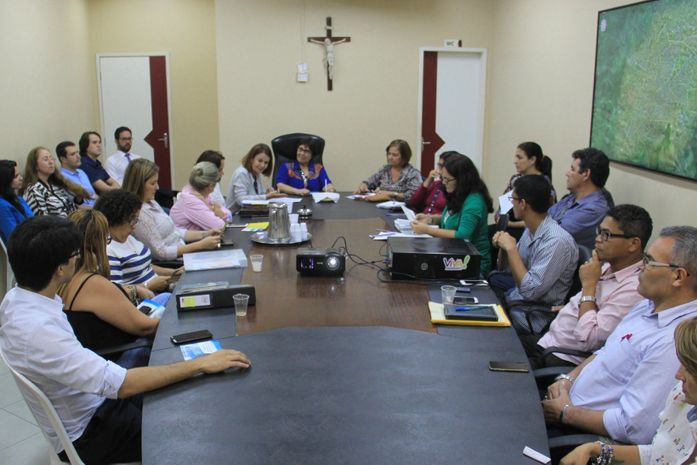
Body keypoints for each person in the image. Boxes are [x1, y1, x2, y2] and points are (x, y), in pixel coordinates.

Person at [0, 215, 250, 464]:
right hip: (94, 430)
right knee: (206, 424)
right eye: (74, 255)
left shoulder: (16, 300)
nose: (78, 258)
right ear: (60, 269)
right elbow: (122, 385)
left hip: (92, 405)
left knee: (189, 388)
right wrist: (200, 364)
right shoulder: (40, 331)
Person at [542, 226, 697, 444]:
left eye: (649, 261)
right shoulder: (647, 305)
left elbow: (634, 427)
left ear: (678, 276)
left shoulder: (675, 340)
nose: (641, 267)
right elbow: (604, 352)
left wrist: (565, 412)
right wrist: (567, 380)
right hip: (565, 405)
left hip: (586, 438)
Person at [523, 204, 651, 368]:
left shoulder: (634, 289)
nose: (598, 239)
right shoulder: (607, 266)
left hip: (562, 357)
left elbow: (589, 339)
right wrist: (571, 307)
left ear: (633, 244)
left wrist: (589, 285)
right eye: (599, 231)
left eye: (606, 235)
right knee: (497, 343)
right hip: (548, 340)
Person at [560, 317, 697, 465]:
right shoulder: (682, 397)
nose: (678, 375)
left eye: (689, 368)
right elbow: (660, 455)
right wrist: (592, 450)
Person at [58, 209, 161, 369]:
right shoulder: (93, 283)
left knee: (164, 298)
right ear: (100, 242)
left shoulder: (64, 279)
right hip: (120, 359)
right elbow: (146, 327)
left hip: (99, 353)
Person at [490, 175, 578, 314]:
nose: (511, 203)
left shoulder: (556, 241)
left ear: (523, 204)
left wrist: (511, 249)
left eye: (513, 199)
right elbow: (506, 270)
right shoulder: (531, 229)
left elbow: (530, 292)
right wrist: (504, 248)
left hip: (531, 314)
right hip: (515, 299)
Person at [410, 153, 494, 275]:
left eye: (447, 179)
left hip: (472, 263)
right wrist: (430, 219)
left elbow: (462, 235)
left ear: (462, 180)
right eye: (443, 178)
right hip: (454, 255)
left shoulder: (474, 201)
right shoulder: (458, 194)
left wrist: (427, 230)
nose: (443, 182)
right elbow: (452, 219)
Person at [122, 158, 221, 261]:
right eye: (153, 183)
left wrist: (205, 234)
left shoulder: (151, 202)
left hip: (184, 254)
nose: (157, 187)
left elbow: (175, 232)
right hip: (174, 262)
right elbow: (161, 253)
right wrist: (200, 245)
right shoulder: (140, 214)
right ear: (139, 185)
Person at [95, 189, 181, 292]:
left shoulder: (128, 238)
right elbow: (116, 292)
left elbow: (145, 266)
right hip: (146, 299)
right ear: (117, 218)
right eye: (132, 220)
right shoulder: (108, 250)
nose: (134, 226)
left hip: (159, 291)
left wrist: (174, 273)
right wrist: (148, 286)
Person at [548, 148, 610, 249]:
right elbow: (543, 219)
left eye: (572, 169)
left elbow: (552, 235)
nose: (567, 173)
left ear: (586, 174)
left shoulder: (594, 209)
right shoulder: (571, 198)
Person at [494, 142, 554, 237]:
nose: (515, 161)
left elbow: (543, 218)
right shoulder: (515, 179)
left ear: (532, 160)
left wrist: (511, 224)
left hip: (529, 231)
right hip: (508, 227)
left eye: (520, 158)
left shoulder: (543, 184)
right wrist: (499, 217)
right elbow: (503, 207)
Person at [21, 146, 89, 217]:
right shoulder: (33, 189)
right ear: (35, 166)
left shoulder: (55, 185)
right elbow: (41, 219)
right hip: (56, 224)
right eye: (46, 159)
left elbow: (71, 209)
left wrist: (78, 198)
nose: (51, 162)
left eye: (51, 158)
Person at [355, 139, 422, 203]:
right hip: (380, 205)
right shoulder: (384, 169)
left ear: (404, 157)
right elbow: (370, 181)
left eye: (395, 155)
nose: (390, 157)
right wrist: (364, 185)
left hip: (402, 208)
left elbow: (414, 197)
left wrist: (391, 194)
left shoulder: (413, 173)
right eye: (389, 154)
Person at [170, 162, 231, 231]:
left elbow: (229, 214)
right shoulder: (191, 201)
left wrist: (214, 209)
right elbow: (220, 227)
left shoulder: (200, 192)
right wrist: (214, 209)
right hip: (186, 238)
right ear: (210, 186)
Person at [226, 143, 284, 211]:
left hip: (250, 211)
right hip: (235, 214)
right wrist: (266, 196)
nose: (262, 165)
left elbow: (257, 195)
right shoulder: (242, 173)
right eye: (260, 161)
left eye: (266, 163)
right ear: (251, 159)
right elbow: (241, 200)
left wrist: (267, 193)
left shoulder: (257, 173)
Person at [408, 151, 458, 215]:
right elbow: (414, 202)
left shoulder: (453, 187)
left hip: (435, 220)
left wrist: (431, 219)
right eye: (439, 166)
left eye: (442, 166)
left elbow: (450, 215)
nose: (439, 170)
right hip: (423, 218)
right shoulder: (437, 184)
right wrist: (428, 180)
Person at [0, 160, 33, 243]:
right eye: (16, 176)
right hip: (24, 245)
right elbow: (13, 237)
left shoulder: (18, 198)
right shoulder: (2, 206)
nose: (21, 178)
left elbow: (33, 220)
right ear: (5, 180)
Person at [56, 140, 97, 206]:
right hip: (83, 211)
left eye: (77, 152)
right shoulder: (60, 177)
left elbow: (93, 195)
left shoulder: (81, 172)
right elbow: (73, 206)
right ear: (63, 159)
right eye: (73, 154)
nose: (78, 156)